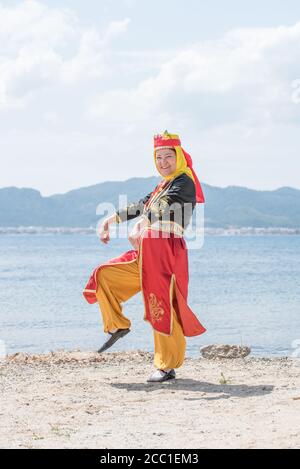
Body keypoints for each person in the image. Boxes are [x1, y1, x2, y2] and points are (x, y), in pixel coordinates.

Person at [83, 131, 206, 383]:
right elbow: (142, 204)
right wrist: (110, 219)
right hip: (147, 251)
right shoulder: (163, 185)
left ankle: (167, 366)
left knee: (161, 305)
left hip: (166, 252)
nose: (163, 162)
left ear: (179, 156)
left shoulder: (184, 182)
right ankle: (117, 325)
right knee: (104, 275)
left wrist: (142, 224)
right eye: (158, 157)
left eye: (168, 157)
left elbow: (164, 207)